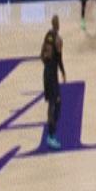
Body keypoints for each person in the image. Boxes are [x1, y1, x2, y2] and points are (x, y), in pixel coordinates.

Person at [40, 15, 66, 150]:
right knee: (55, 104)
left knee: (54, 103)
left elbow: (41, 55)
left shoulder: (47, 36)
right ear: (58, 24)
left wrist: (48, 65)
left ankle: (51, 133)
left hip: (47, 73)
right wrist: (63, 72)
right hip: (51, 76)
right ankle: (51, 135)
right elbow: (59, 59)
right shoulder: (57, 39)